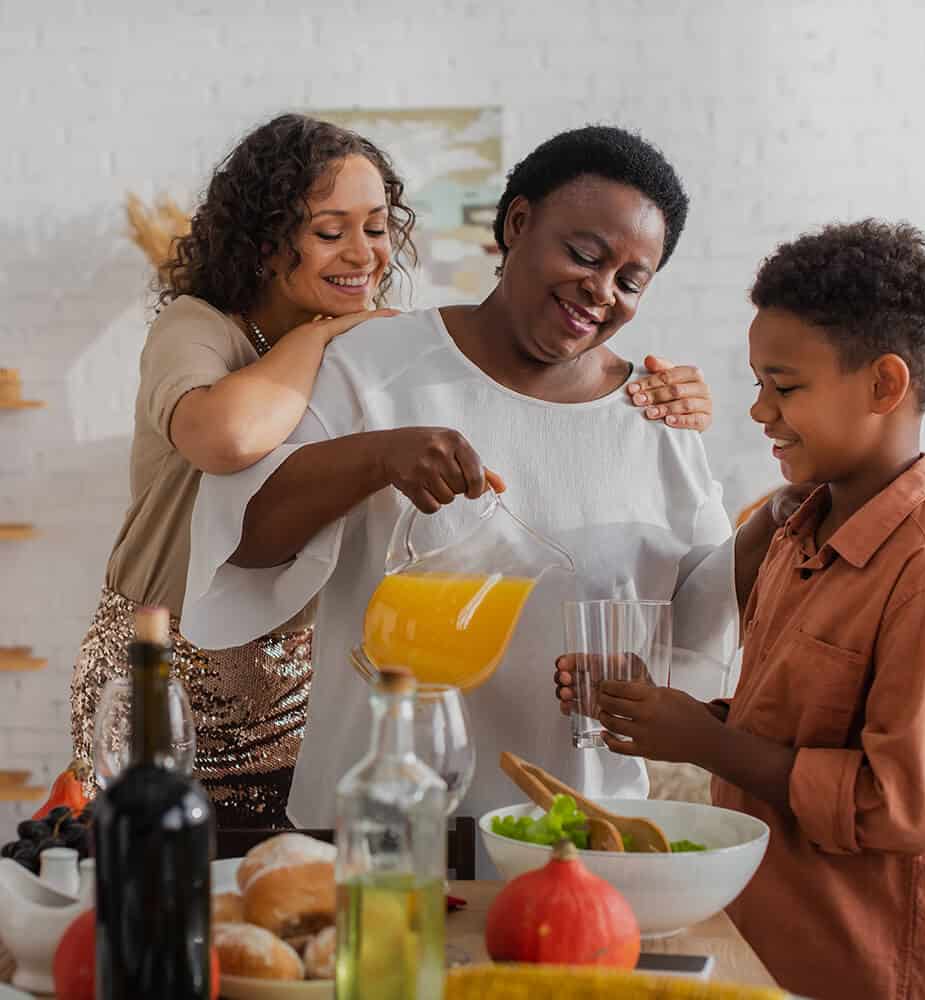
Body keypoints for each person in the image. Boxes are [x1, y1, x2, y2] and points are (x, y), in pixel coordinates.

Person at [71, 113, 712, 827]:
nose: (602, 290)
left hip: (519, 802)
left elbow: (701, 622)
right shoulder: (285, 344)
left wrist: (790, 495)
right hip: (198, 689)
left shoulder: (656, 414)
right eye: (585, 255)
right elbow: (233, 488)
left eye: (632, 279)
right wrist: (374, 437)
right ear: (517, 222)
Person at [574, 220, 925, 1000]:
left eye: (786, 386)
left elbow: (901, 810)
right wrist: (671, 717)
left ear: (884, 385)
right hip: (762, 946)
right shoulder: (799, 527)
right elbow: (795, 723)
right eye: (759, 384)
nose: (760, 413)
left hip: (861, 969)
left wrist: (705, 742)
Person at [70, 114, 412, 825]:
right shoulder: (197, 327)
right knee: (160, 899)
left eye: (377, 227)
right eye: (330, 231)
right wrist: (327, 332)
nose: (364, 254)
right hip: (163, 684)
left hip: (304, 697)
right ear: (264, 245)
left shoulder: (376, 345)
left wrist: (659, 396)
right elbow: (225, 436)